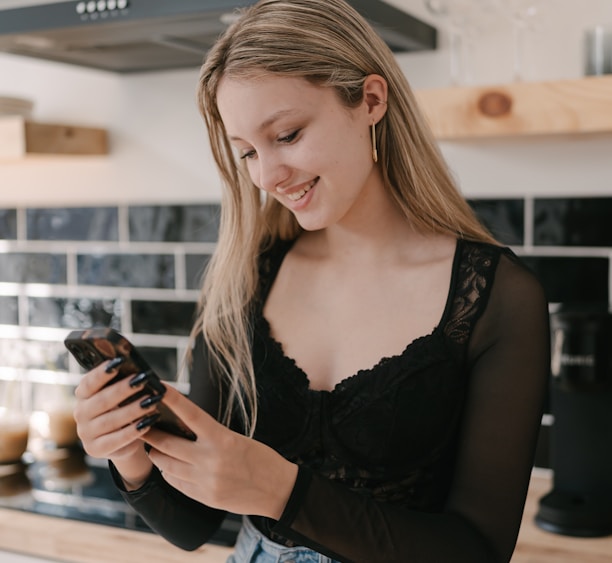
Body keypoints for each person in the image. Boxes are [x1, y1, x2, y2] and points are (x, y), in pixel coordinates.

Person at [73, 0, 550, 561]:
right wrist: (129, 452)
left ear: (371, 100)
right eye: (247, 152)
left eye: (289, 134)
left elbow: (477, 549)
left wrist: (280, 490)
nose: (268, 176)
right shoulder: (243, 281)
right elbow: (192, 525)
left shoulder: (499, 299)